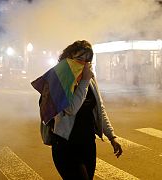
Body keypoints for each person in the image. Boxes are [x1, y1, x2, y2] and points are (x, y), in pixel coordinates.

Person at [50, 40, 123, 180]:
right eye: (79, 59)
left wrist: (112, 137)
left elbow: (99, 108)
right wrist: (84, 81)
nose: (83, 63)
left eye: (87, 60)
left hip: (87, 143)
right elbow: (71, 109)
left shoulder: (89, 78)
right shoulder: (59, 78)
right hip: (65, 145)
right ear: (68, 58)